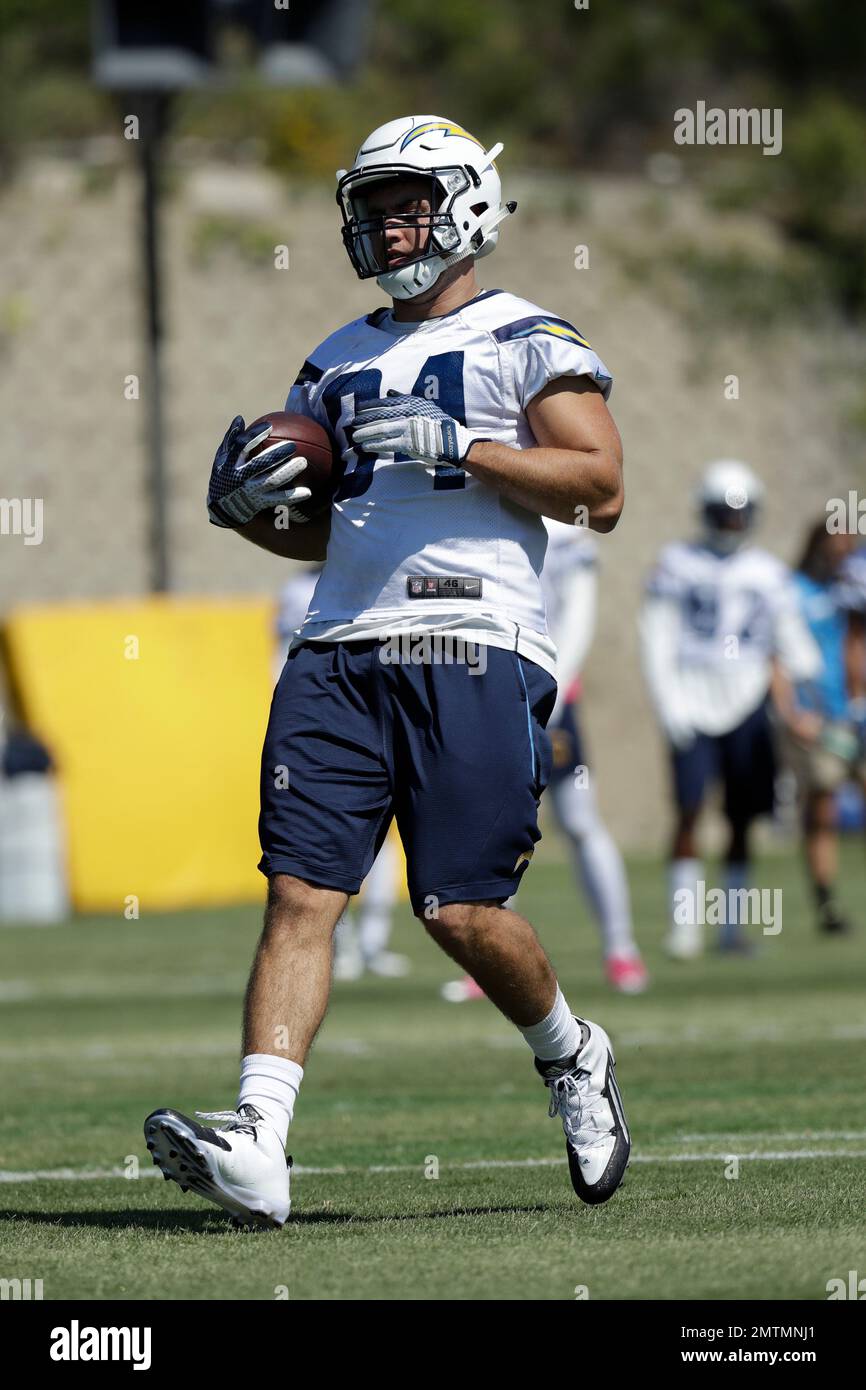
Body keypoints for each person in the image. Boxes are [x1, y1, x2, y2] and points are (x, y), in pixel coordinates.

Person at [145, 115, 629, 1227]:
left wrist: (462, 444)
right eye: (369, 205)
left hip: (473, 640)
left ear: (462, 205)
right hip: (338, 646)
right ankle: (260, 1142)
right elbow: (321, 529)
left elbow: (599, 485)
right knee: (300, 893)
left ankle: (571, 1056)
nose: (380, 223)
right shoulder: (334, 355)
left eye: (402, 201)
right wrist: (250, 516)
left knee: (458, 909)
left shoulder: (523, 336)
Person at [443, 517, 647, 1001]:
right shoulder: (482, 511)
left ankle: (621, 949)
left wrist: (551, 688)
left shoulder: (568, 533)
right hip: (490, 693)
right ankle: (486, 960)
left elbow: (579, 614)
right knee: (493, 826)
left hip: (548, 694)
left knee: (579, 820)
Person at [640, 460, 820, 959]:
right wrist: (668, 703)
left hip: (748, 701)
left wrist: (809, 687)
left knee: (742, 818)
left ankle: (731, 928)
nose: (733, 524)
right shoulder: (677, 562)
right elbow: (656, 639)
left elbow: (793, 642)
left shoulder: (767, 573)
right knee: (689, 811)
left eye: (740, 515)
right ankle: (685, 928)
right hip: (691, 698)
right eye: (725, 514)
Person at [276, 567, 407, 979]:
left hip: (380, 713)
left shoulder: (381, 571)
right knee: (329, 845)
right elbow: (280, 654)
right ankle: (340, 945)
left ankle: (372, 942)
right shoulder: (297, 589)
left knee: (381, 840)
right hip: (323, 719)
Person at [784, 523, 866, 933]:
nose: (841, 554)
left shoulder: (852, 587)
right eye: (835, 546)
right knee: (823, 809)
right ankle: (827, 904)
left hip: (856, 712)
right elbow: (777, 653)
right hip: (818, 715)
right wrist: (792, 711)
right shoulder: (792, 590)